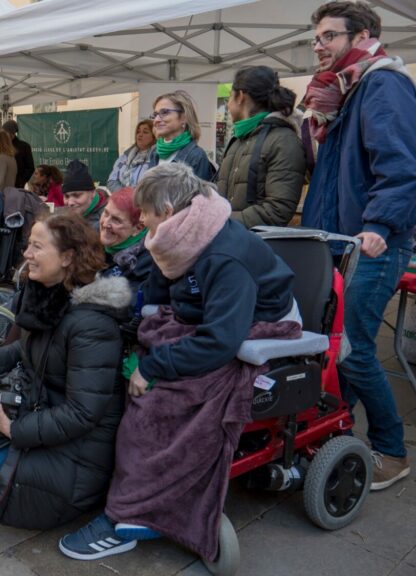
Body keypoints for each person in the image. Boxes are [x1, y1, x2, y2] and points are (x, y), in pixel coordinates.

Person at [59, 161, 300, 563]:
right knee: (130, 363)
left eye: (146, 215)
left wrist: (154, 368)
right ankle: (126, 482)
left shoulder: (225, 258)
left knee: (162, 401)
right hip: (203, 317)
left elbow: (221, 341)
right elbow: (160, 291)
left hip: (258, 326)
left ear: (167, 213)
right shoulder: (183, 234)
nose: (143, 222)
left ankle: (137, 514)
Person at [301, 0, 416, 490]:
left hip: (372, 243)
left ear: (362, 34)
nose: (318, 46)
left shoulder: (383, 83)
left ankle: (391, 449)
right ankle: (341, 428)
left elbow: (402, 167)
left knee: (353, 348)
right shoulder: (344, 92)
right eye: (316, 38)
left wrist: (379, 227)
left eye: (329, 36)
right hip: (340, 242)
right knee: (334, 344)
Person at [0, 211, 131, 530]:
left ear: (67, 257)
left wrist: (14, 431)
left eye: (37, 246)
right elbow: (29, 349)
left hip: (80, 453)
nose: (26, 254)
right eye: (28, 244)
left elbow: (82, 413)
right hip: (49, 421)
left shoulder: (92, 323)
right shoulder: (51, 295)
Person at [216, 66, 306, 228]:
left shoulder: (284, 140)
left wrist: (220, 222)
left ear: (240, 96)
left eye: (228, 97)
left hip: (256, 246)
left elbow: (278, 209)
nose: (228, 105)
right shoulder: (238, 139)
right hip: (230, 241)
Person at [99, 187, 152, 303]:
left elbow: (126, 308)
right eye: (106, 213)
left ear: (138, 228)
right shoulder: (96, 245)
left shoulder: (145, 263)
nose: (105, 223)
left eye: (116, 220)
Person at [149, 90, 213, 181]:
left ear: (184, 117)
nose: (157, 119)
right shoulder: (154, 152)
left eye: (164, 112)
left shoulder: (196, 156)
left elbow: (200, 194)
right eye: (155, 114)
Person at [107, 120, 156, 192]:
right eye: (138, 132)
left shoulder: (156, 158)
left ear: (154, 136)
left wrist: (134, 197)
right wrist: (124, 196)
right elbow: (111, 181)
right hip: (121, 199)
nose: (140, 135)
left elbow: (155, 186)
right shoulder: (125, 156)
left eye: (145, 132)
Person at [62, 159, 107, 230]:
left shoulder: (107, 221)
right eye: (66, 196)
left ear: (92, 193)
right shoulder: (65, 213)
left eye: (77, 195)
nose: (70, 203)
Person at [2, 119, 35, 188]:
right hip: (4, 184)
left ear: (13, 133)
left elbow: (30, 167)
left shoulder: (24, 146)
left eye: (8, 132)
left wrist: (21, 181)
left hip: (17, 185)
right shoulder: (2, 146)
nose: (6, 135)